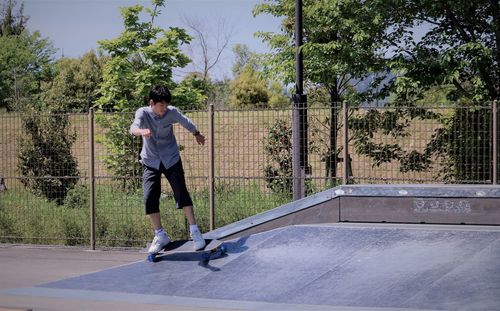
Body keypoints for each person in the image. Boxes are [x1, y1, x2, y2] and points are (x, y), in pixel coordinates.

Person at [130, 85, 206, 254]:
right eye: (161, 105)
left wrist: (197, 134)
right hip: (150, 161)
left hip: (171, 158)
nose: (164, 109)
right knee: (149, 197)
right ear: (152, 103)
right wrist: (141, 131)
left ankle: (195, 231)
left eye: (166, 105)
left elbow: (186, 122)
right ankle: (160, 235)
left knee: (181, 192)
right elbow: (132, 128)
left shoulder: (171, 112)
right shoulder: (142, 113)